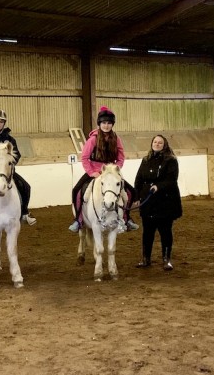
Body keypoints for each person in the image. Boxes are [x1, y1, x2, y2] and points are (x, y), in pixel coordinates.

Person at [68, 106, 137, 233]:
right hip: (94, 172)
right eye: (104, 123)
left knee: (131, 192)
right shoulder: (92, 139)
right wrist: (91, 172)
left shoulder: (116, 139)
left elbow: (121, 157)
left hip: (111, 173)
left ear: (112, 124)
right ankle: (78, 220)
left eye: (109, 123)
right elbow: (84, 158)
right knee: (76, 191)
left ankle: (126, 219)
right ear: (100, 124)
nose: (106, 125)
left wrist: (116, 169)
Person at [133, 135, 183, 271]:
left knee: (165, 231)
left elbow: (172, 180)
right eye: (155, 142)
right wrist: (136, 198)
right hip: (148, 202)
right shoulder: (145, 160)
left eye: (160, 142)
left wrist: (158, 186)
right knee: (147, 232)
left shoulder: (171, 161)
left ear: (164, 145)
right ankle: (145, 259)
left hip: (165, 202)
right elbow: (138, 180)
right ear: (152, 143)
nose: (157, 144)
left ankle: (166, 259)